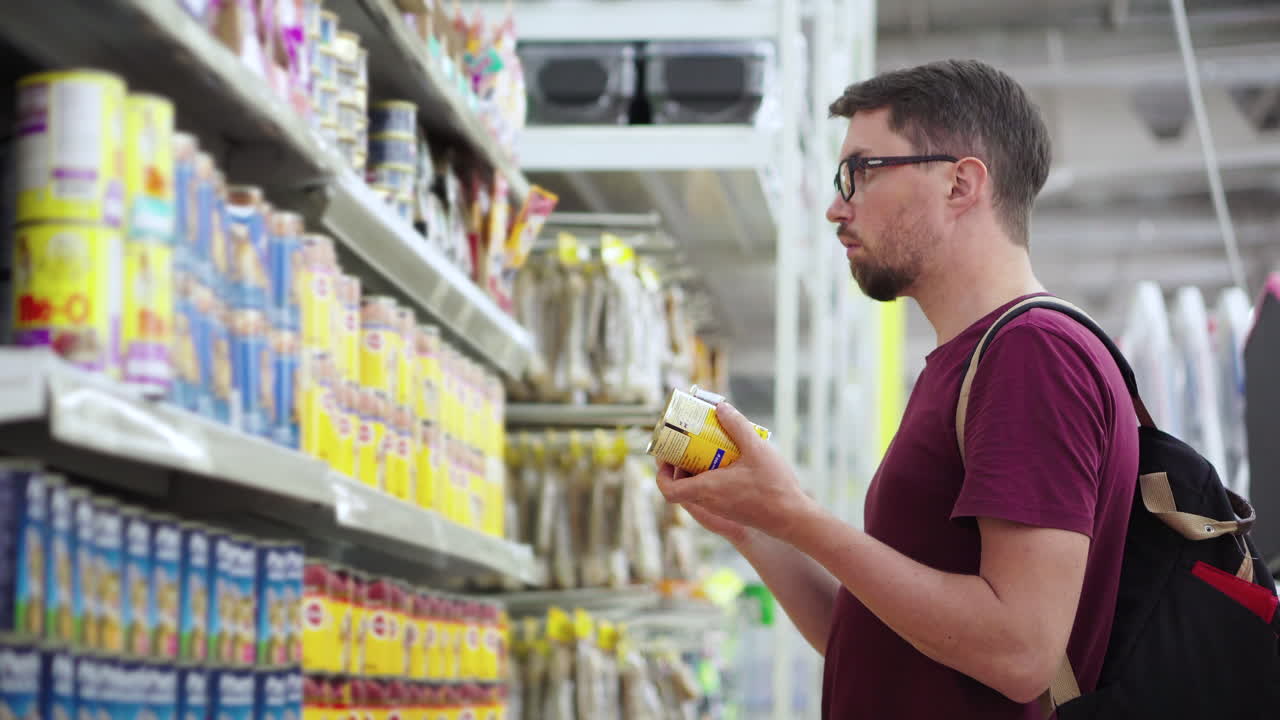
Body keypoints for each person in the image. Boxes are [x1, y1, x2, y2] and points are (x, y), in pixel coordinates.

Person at [655, 59, 1139, 719]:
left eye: (862, 172)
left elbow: (1020, 652)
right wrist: (755, 528)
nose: (836, 206)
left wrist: (799, 516)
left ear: (960, 183)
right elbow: (870, 639)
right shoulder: (966, 363)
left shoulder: (1034, 355)